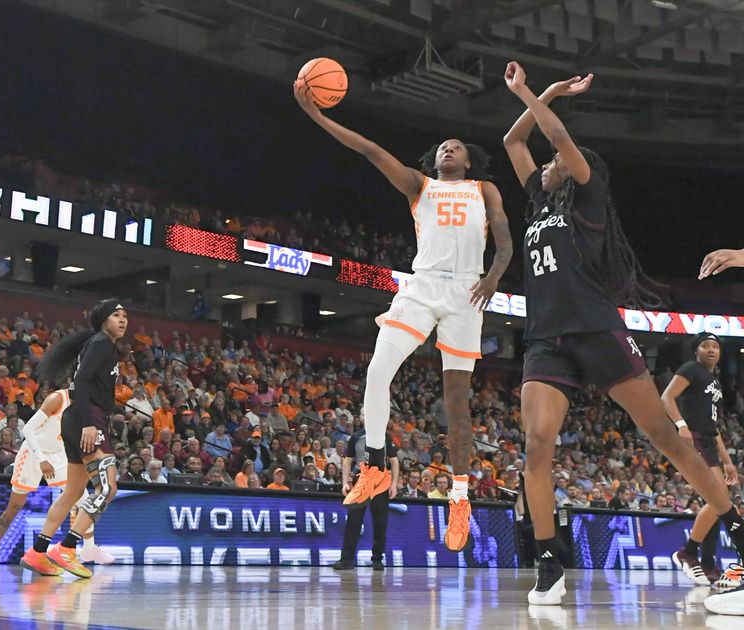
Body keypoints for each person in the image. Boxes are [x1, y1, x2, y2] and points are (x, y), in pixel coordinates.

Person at [502, 61, 744, 607]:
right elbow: (513, 139)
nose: (546, 164)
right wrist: (545, 91)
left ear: (575, 168)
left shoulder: (585, 198)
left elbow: (557, 137)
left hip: (596, 328)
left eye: (556, 162)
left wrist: (529, 95)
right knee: (536, 445)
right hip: (546, 339)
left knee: (663, 436)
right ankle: (548, 561)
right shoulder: (539, 201)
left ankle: (739, 543)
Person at [294, 78, 512, 555]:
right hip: (422, 286)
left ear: (469, 161)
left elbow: (504, 236)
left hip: (467, 291)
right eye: (442, 148)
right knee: (376, 372)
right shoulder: (420, 187)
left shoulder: (484, 188)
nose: (449, 151)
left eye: (457, 148)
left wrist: (495, 275)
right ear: (433, 162)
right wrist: (317, 117)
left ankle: (459, 496)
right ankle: (374, 464)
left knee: (457, 402)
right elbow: (371, 150)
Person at [21, 298, 127, 579]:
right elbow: (80, 381)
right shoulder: (102, 343)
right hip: (86, 416)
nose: (123, 320)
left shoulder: (102, 344)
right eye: (116, 315)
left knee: (73, 493)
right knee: (107, 487)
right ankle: (67, 548)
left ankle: (37, 552)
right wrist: (90, 423)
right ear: (104, 320)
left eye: (124, 315)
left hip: (78, 417)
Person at [0, 389, 113, 569]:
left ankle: (89, 548)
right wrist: (42, 459)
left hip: (58, 455)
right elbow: (28, 429)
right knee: (15, 506)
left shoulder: (87, 411)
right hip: (33, 454)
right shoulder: (58, 399)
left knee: (80, 496)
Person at [664, 333, 738, 587]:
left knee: (717, 504)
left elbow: (714, 425)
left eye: (715, 346)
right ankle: (689, 552)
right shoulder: (690, 369)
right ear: (696, 350)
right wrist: (680, 424)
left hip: (708, 439)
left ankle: (707, 563)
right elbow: (667, 397)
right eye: (705, 345)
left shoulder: (713, 381)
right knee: (720, 500)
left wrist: (727, 459)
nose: (711, 350)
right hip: (693, 437)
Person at [333, 428, 399, 571]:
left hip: (381, 481)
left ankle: (377, 560)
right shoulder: (356, 436)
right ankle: (346, 559)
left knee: (380, 523)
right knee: (353, 521)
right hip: (361, 479)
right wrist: (345, 482)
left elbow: (394, 461)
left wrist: (394, 484)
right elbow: (347, 460)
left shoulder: (385, 435)